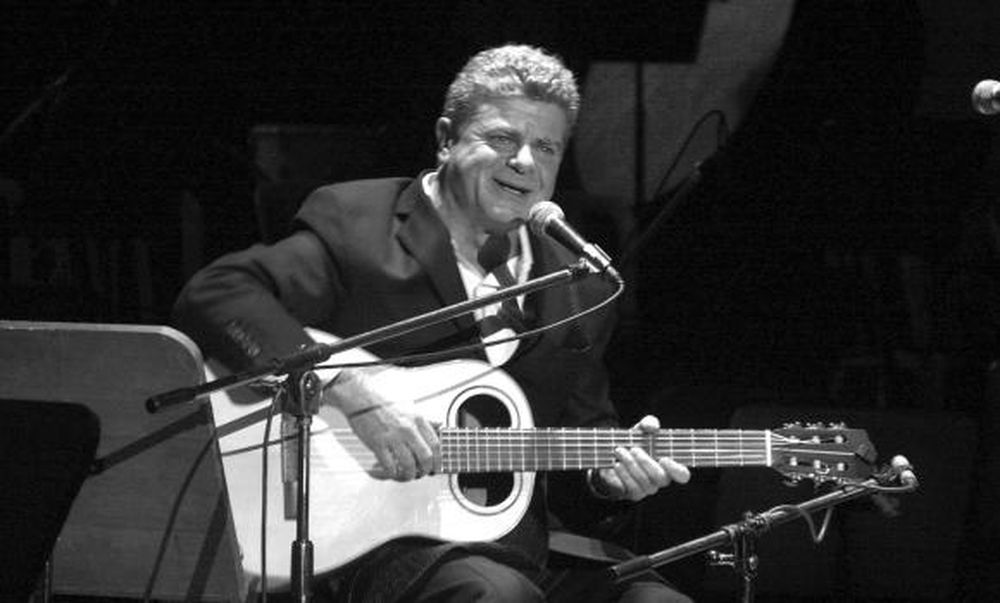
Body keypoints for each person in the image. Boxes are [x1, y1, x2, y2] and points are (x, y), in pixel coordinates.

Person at [173, 44, 691, 602]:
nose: (524, 162)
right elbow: (216, 294)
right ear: (446, 139)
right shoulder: (359, 226)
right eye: (501, 139)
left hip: (519, 546)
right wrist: (353, 393)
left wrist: (610, 479)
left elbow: (583, 442)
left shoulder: (578, 285)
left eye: (546, 147)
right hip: (373, 544)